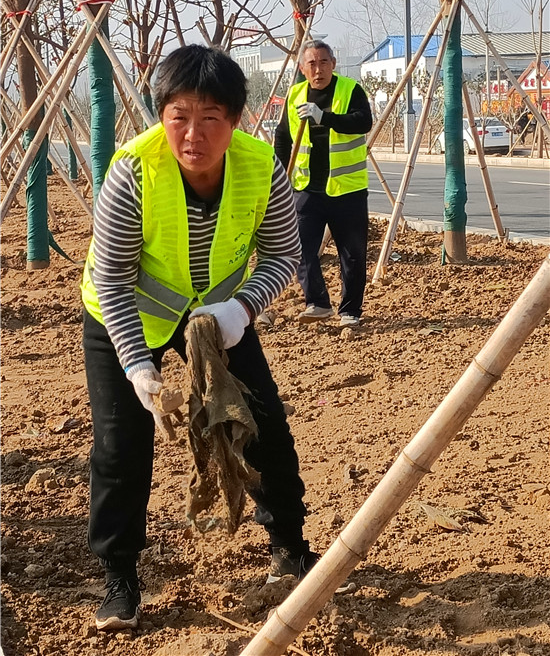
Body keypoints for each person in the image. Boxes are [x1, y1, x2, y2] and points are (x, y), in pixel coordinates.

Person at [81, 45, 319, 632]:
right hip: (125, 317)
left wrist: (242, 308)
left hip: (217, 321)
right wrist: (137, 366)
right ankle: (119, 578)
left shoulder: (260, 166)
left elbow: (284, 253)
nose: (194, 134)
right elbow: (111, 277)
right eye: (179, 116)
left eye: (211, 117)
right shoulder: (133, 171)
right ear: (161, 115)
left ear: (235, 120)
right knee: (120, 445)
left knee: (262, 425)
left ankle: (290, 547)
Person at [275, 40, 373, 327]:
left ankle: (350, 311)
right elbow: (283, 137)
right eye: (312, 64)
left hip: (347, 189)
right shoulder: (295, 95)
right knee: (298, 248)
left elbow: (362, 122)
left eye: (323, 62)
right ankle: (317, 302)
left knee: (352, 254)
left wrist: (324, 117)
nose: (318, 69)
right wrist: (280, 176)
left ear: (333, 64)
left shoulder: (350, 90)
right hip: (307, 188)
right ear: (302, 68)